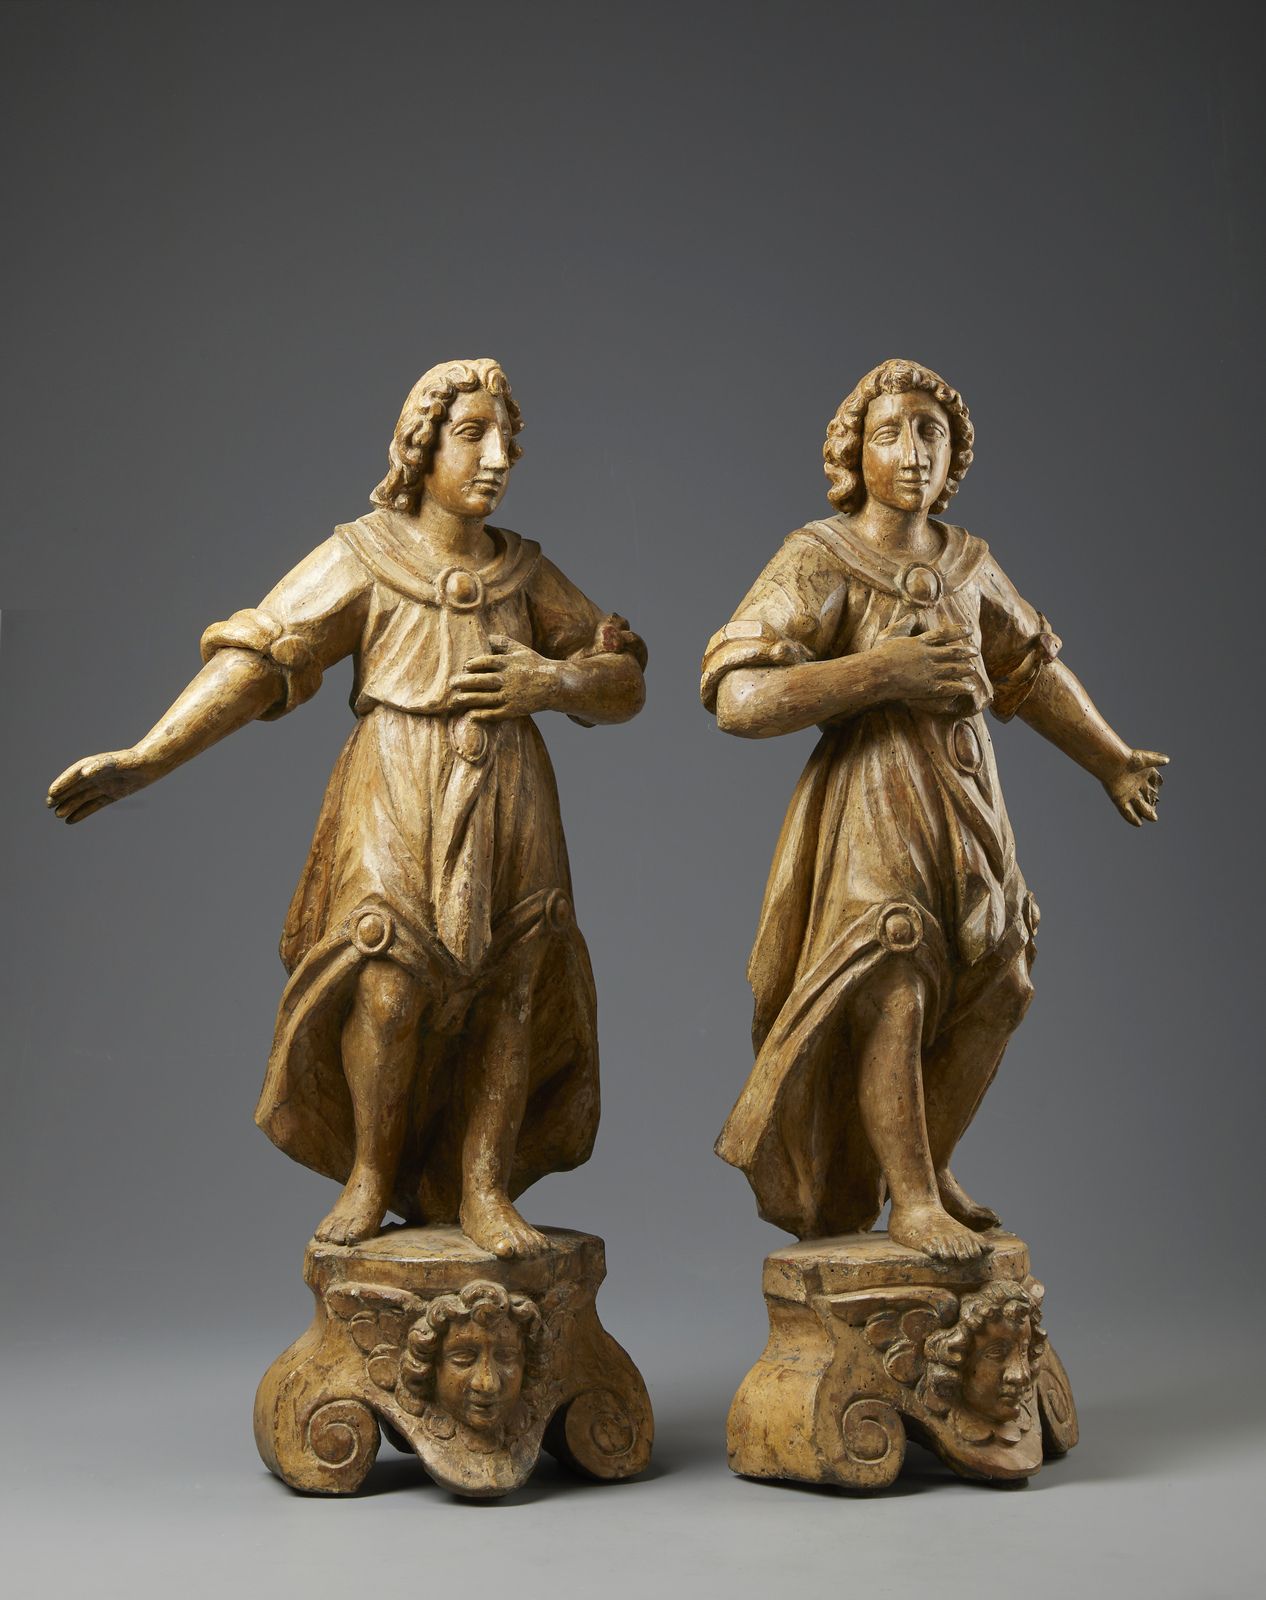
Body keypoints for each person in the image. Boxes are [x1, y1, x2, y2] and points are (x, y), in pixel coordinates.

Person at [49, 359, 646, 1258]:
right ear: (420, 447)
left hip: (511, 792)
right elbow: (258, 657)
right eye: (472, 436)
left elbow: (624, 678)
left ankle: (485, 1188)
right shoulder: (365, 555)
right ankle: (370, 1174)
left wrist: (552, 681)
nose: (496, 459)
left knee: (512, 982)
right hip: (394, 780)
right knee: (384, 978)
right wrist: (150, 755)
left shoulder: (525, 570)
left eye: (506, 442)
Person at [702, 358, 1166, 1261]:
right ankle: (911, 1201)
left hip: (968, 803)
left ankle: (928, 1164)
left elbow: (1031, 674)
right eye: (890, 433)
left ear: (955, 456)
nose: (913, 452)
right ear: (853, 454)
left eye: (932, 433)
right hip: (871, 806)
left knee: (1005, 981)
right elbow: (738, 697)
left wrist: (1110, 760)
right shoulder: (821, 556)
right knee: (895, 978)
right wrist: (881, 672)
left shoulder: (969, 564)